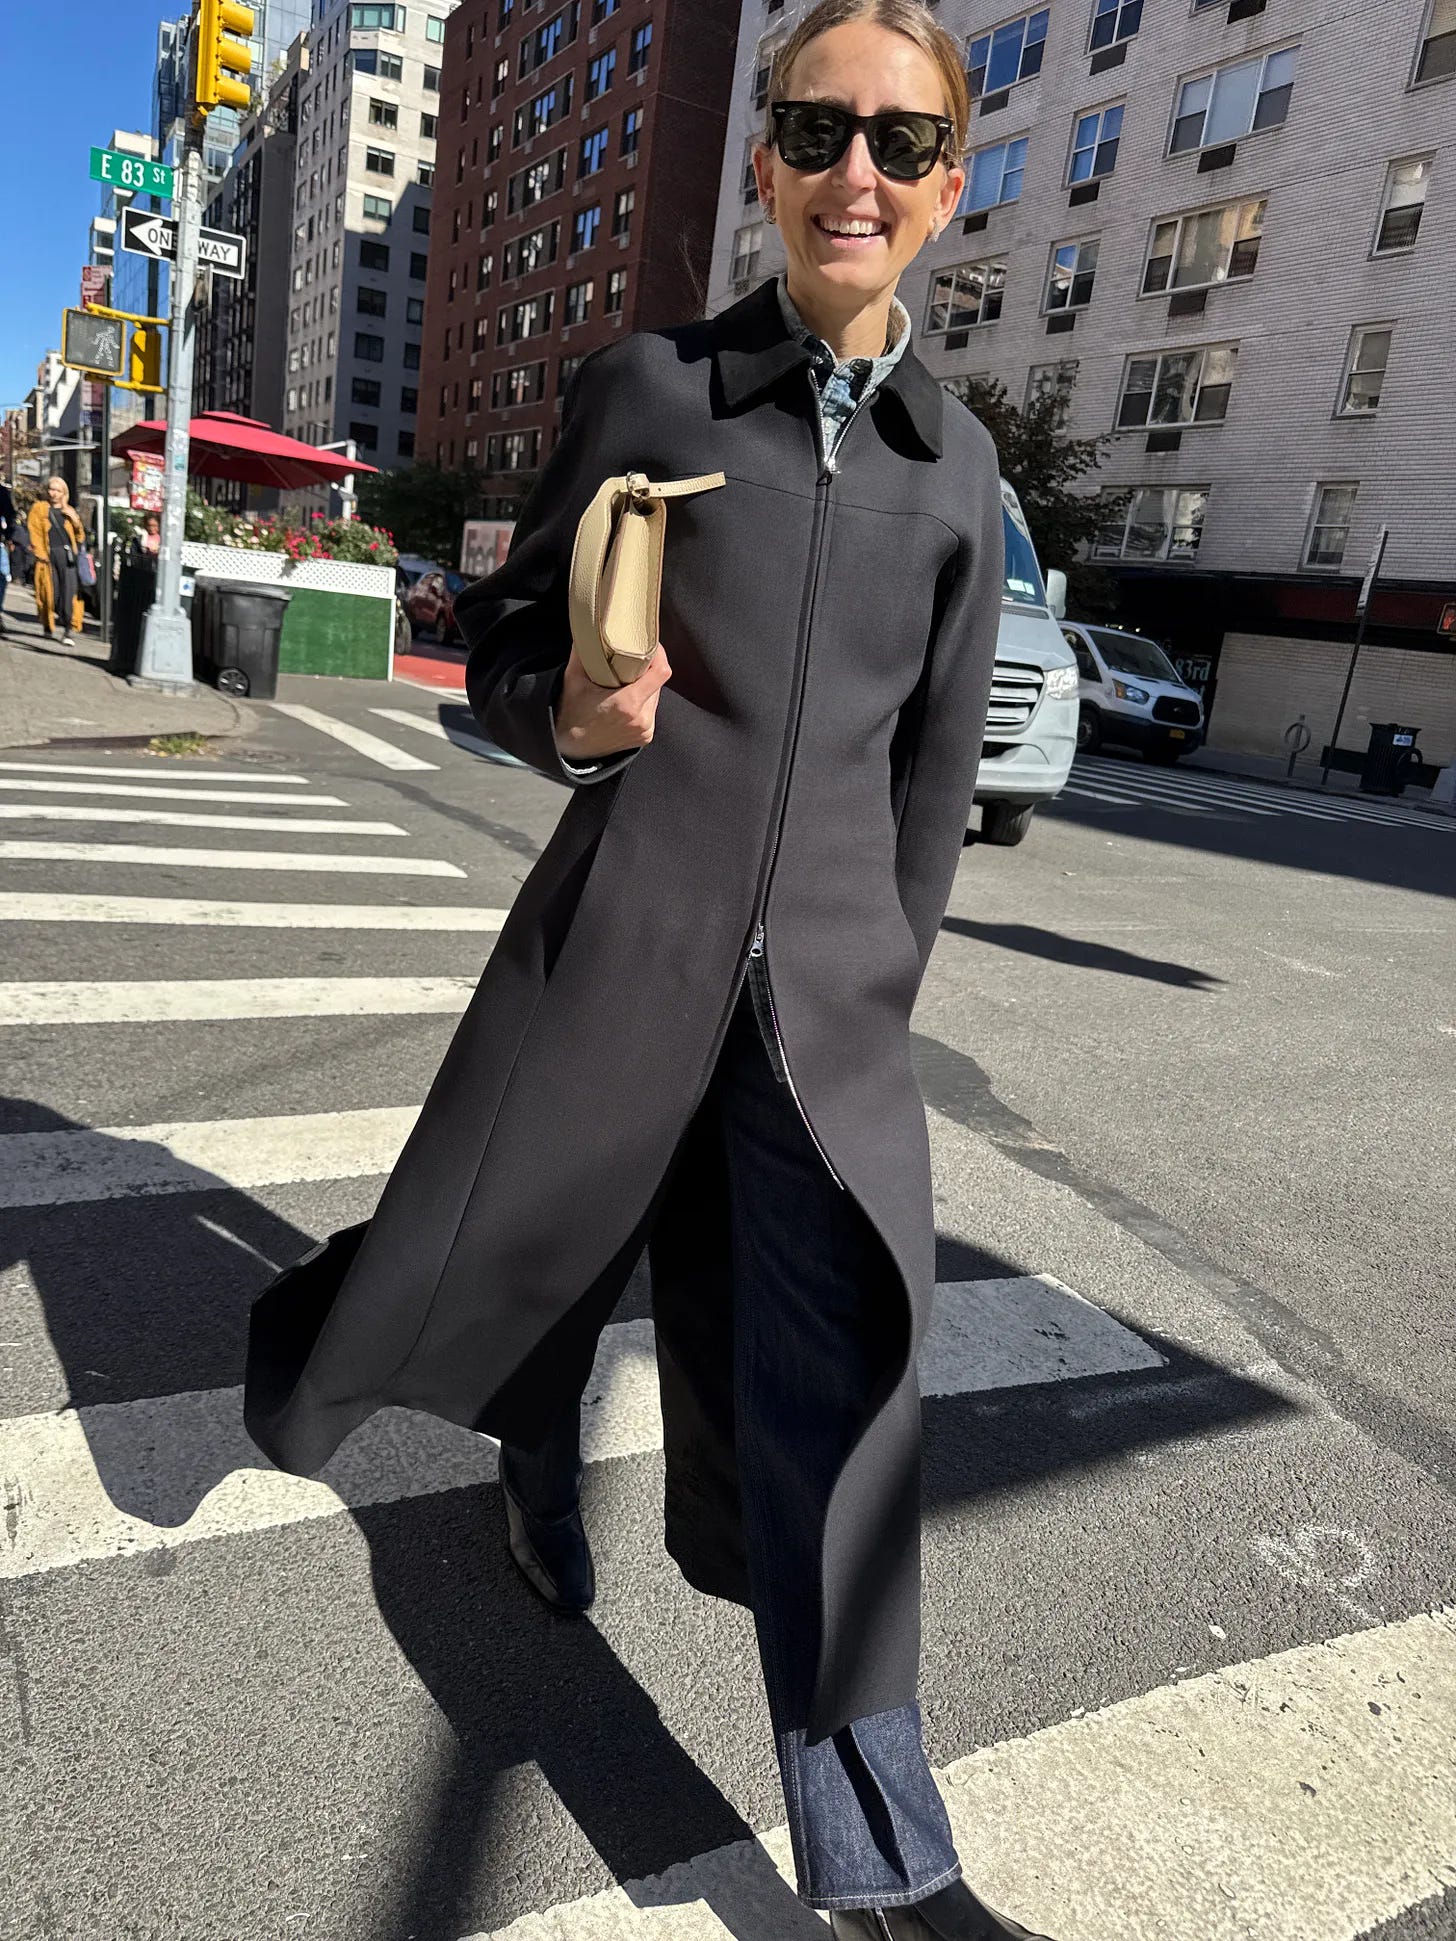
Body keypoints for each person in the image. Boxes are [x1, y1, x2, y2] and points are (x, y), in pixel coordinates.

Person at [244, 4, 1048, 1936]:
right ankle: (530, 1452)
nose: (857, 171)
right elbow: (502, 640)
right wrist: (574, 720)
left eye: (904, 143)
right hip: (621, 953)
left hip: (822, 1012)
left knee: (846, 1387)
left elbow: (936, 782)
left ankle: (887, 1863)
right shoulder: (650, 390)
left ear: (948, 190)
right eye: (819, 128)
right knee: (541, 1253)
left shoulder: (957, 470)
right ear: (764, 161)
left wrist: (874, 984)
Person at [28, 476, 87, 643]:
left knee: (69, 594)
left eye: (57, 490)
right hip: (47, 556)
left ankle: (68, 630)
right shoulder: (39, 508)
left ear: (64, 493)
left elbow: (80, 537)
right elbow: (34, 532)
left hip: (67, 557)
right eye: (51, 489)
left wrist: (75, 520)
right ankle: (47, 625)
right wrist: (40, 554)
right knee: (48, 593)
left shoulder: (69, 511)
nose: (53, 493)